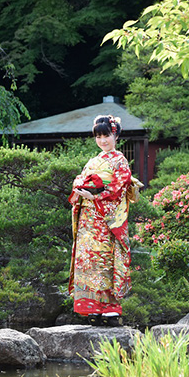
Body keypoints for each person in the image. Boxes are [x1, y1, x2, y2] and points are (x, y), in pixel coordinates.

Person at [68, 115, 132, 326]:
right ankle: (92, 308)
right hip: (88, 220)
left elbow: (118, 188)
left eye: (107, 136)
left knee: (105, 261)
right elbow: (80, 179)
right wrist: (81, 188)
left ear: (116, 135)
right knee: (88, 263)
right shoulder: (93, 161)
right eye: (99, 136)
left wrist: (96, 196)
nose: (103, 140)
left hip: (105, 220)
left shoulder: (119, 160)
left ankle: (110, 308)